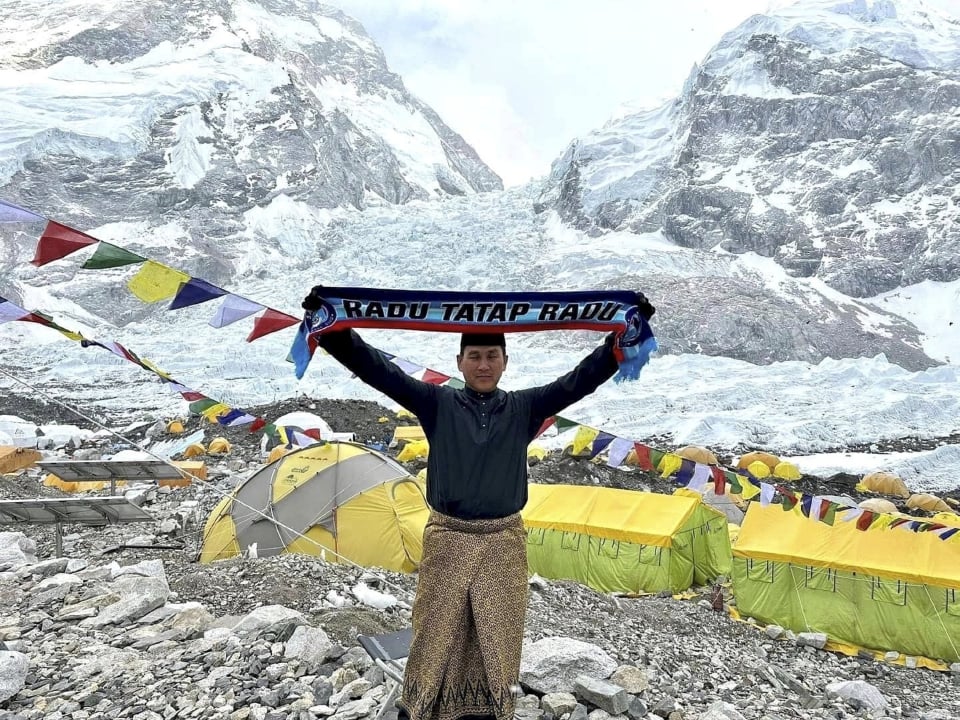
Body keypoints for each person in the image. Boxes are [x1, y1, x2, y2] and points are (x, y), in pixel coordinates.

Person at [301, 289, 655, 720]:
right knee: (437, 632)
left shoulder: (526, 407)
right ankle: (424, 710)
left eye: (492, 355)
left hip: (503, 541)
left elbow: (578, 380)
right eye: (475, 355)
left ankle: (487, 711)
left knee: (498, 632)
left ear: (505, 362)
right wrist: (334, 328)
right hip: (448, 539)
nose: (484, 364)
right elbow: (380, 370)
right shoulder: (436, 403)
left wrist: (618, 335)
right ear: (459, 362)